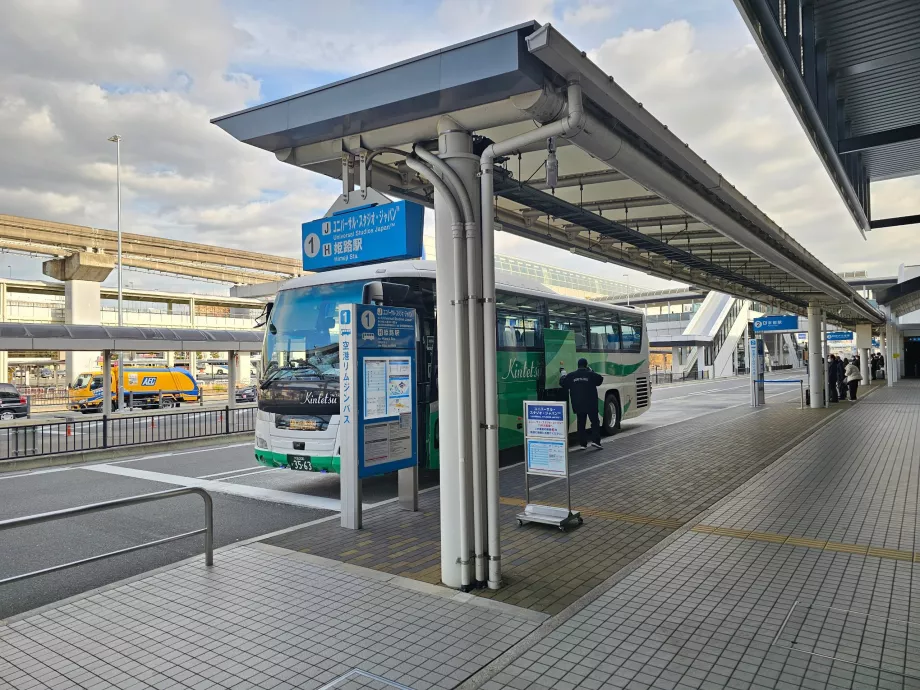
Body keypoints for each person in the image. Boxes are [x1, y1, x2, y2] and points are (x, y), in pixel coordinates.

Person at [561, 357, 603, 449]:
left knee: (581, 423)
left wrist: (563, 375)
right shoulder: (590, 374)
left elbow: (563, 383)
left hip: (578, 404)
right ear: (586, 365)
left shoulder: (572, 375)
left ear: (578, 365)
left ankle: (582, 444)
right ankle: (596, 441)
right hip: (591, 403)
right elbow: (600, 380)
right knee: (594, 422)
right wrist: (592, 371)